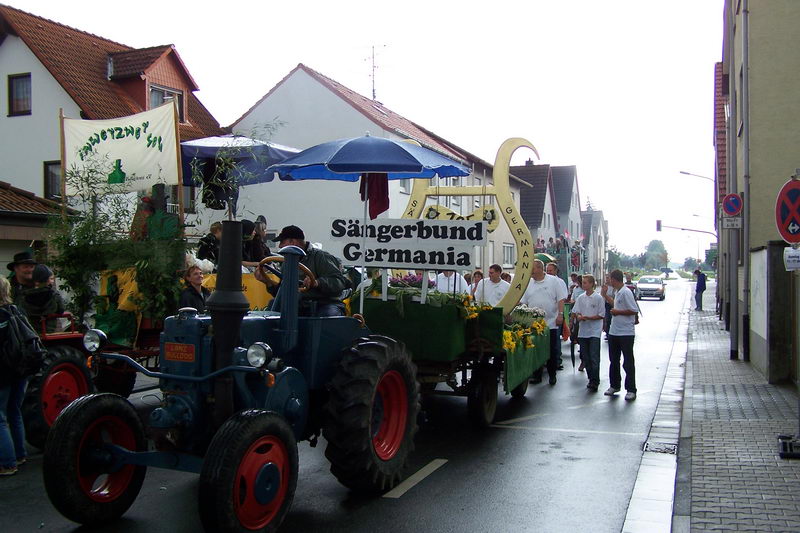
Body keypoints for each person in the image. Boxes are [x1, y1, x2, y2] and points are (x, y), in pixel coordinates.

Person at [255, 225, 348, 317]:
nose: (280, 246)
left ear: (293, 242)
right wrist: (267, 282)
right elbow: (283, 292)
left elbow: (339, 282)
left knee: (326, 315)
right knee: (274, 307)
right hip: (299, 304)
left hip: (325, 303)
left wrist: (317, 283)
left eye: (282, 242)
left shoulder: (320, 257)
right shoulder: (286, 262)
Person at [519, 259, 567, 386]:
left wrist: (560, 315)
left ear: (540, 268)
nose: (531, 272)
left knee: (551, 350)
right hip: (533, 324)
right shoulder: (529, 283)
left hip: (550, 323)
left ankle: (552, 375)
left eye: (533, 269)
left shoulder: (553, 281)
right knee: (535, 350)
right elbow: (524, 301)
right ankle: (537, 375)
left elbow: (561, 299)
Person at [0, 277, 27, 476]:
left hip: (3, 371)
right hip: (21, 368)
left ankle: (7, 464)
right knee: (14, 412)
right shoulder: (16, 310)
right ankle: (20, 454)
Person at [603, 269, 638, 400]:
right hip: (614, 331)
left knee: (628, 361)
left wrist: (618, 312)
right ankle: (614, 385)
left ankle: (631, 389)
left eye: (609, 278)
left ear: (614, 279)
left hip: (626, 332)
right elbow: (616, 304)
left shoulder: (626, 292)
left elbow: (633, 310)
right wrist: (605, 296)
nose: (608, 281)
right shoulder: (617, 292)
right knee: (614, 360)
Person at [571, 275, 605, 391]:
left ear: (591, 284)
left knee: (594, 356)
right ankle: (591, 378)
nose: (583, 284)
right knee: (586, 356)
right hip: (583, 331)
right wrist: (579, 317)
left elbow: (601, 314)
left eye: (585, 283)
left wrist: (589, 317)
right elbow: (576, 311)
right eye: (583, 283)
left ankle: (595, 380)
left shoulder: (598, 298)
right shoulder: (581, 297)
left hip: (594, 331)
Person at [19, 264, 66, 333]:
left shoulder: (24, 296)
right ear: (47, 279)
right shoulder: (54, 295)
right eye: (51, 279)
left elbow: (22, 312)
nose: (52, 281)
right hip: (49, 330)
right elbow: (61, 310)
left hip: (32, 332)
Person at [546, 262, 569, 369]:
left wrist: (560, 314)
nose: (548, 272)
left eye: (550, 270)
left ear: (555, 271)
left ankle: (557, 361)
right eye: (547, 270)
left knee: (555, 339)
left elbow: (563, 298)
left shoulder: (560, 282)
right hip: (544, 317)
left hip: (555, 315)